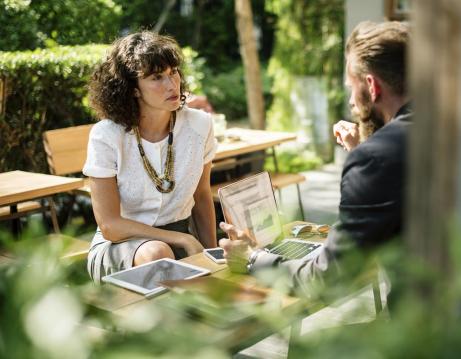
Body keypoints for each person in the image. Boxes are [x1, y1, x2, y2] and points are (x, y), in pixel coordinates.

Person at [219, 21, 411, 286]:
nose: (352, 103)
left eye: (351, 88)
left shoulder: (375, 159)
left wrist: (252, 259)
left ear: (372, 86)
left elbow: (328, 278)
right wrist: (364, 150)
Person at [84, 31, 217, 283]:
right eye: (157, 77)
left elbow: (201, 196)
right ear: (133, 89)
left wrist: (212, 255)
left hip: (184, 238)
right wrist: (182, 239)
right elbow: (110, 225)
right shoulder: (107, 135)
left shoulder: (200, 125)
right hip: (122, 246)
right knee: (158, 254)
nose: (172, 84)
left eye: (173, 72)